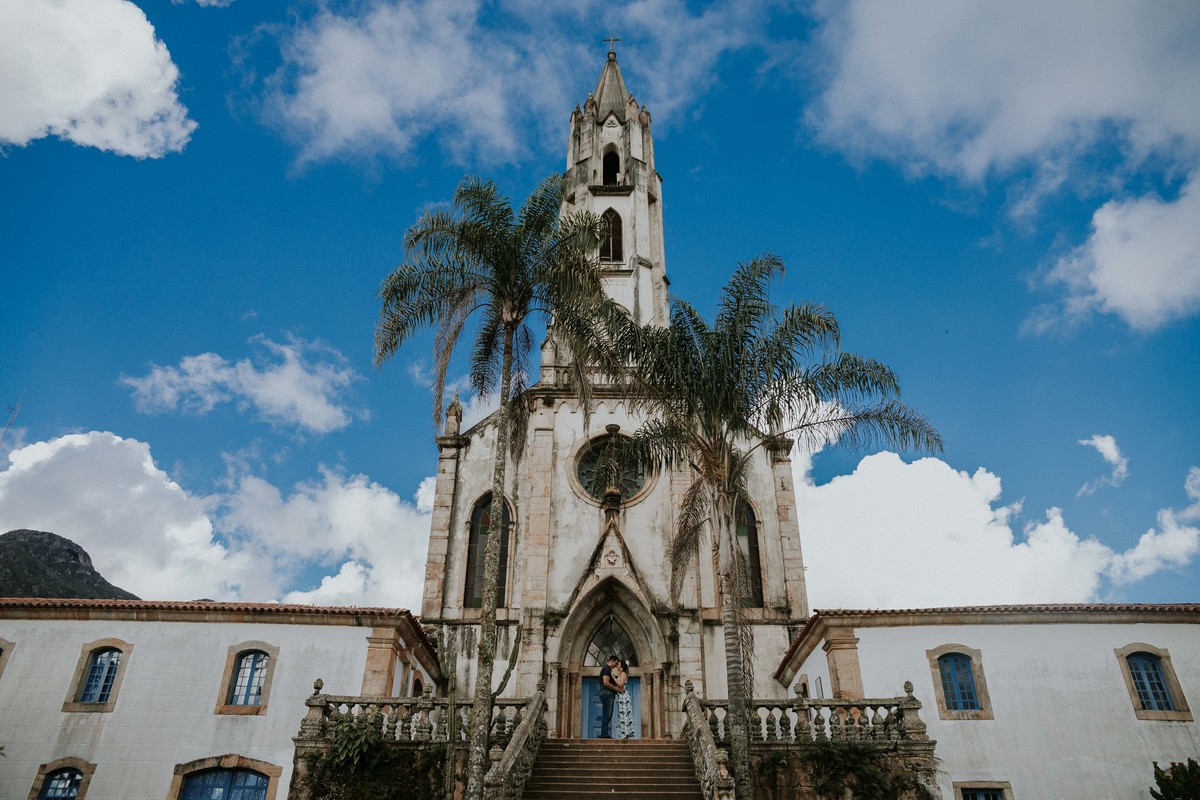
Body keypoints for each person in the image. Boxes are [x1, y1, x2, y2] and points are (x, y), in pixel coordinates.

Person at [597, 654, 620, 738]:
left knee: (607, 713)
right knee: (608, 714)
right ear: (612, 661)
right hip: (607, 693)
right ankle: (604, 734)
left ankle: (604, 734)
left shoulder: (608, 670)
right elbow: (606, 682)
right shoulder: (606, 669)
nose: (616, 665)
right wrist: (616, 689)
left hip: (607, 693)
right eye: (616, 663)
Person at [615, 659, 636, 739]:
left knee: (624, 714)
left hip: (623, 696)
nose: (617, 666)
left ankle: (625, 734)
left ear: (622, 666)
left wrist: (613, 678)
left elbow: (621, 685)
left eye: (618, 664)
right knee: (621, 715)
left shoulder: (623, 673)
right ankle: (623, 734)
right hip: (620, 695)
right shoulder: (621, 674)